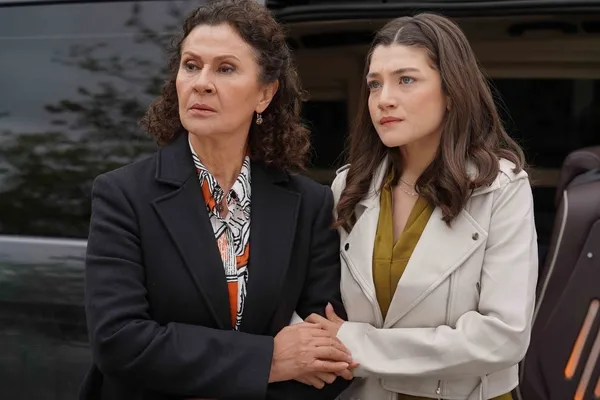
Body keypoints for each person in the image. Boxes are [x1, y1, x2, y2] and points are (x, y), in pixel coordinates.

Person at [79, 1, 355, 399]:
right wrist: (268, 360)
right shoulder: (123, 194)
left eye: (225, 69)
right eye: (191, 65)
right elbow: (119, 341)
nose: (202, 83)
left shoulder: (309, 204)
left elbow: (329, 354)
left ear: (265, 94)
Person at [306, 13, 539, 400]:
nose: (384, 99)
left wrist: (358, 346)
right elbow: (318, 311)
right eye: (375, 84)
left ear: (451, 92)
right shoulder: (350, 186)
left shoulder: (499, 188)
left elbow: (503, 337)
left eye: (406, 80)